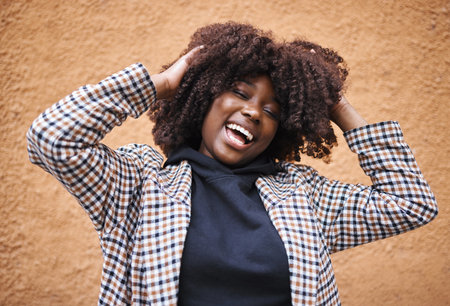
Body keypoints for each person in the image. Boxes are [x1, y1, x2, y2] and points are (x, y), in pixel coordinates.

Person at [27, 22, 437, 306]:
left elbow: (411, 203)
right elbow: (52, 138)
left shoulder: (304, 195)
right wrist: (164, 83)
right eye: (239, 93)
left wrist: (338, 105)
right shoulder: (138, 182)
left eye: (273, 111)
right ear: (204, 97)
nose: (254, 112)